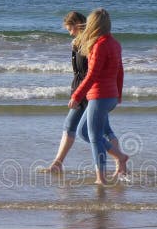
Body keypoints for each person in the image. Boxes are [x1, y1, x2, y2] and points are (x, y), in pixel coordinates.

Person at [47, 11, 119, 173]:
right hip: (85, 91)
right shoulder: (80, 42)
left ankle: (118, 160)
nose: (70, 33)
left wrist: (79, 94)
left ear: (79, 24)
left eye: (70, 29)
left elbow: (93, 72)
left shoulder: (91, 43)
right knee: (105, 131)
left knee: (76, 128)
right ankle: (120, 163)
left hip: (89, 93)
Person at [69, 8, 128, 185]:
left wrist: (77, 95)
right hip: (109, 97)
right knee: (83, 132)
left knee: (94, 137)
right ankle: (120, 156)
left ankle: (100, 178)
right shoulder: (115, 44)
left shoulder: (99, 45)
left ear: (93, 24)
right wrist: (118, 94)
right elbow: (120, 71)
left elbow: (92, 75)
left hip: (100, 95)